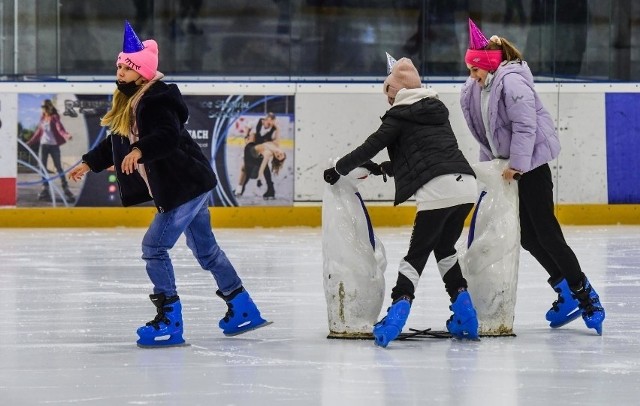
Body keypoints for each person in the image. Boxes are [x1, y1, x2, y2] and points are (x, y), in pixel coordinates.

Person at [68, 21, 270, 348]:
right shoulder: (130, 100)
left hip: (184, 187)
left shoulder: (156, 99)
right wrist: (89, 162)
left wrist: (140, 150)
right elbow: (115, 142)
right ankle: (242, 306)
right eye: (119, 65)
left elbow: (166, 136)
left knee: (154, 247)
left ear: (143, 72)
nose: (120, 71)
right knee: (206, 251)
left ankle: (170, 319)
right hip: (190, 184)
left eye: (127, 67)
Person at [323, 53, 480, 347]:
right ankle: (465, 312)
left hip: (438, 191)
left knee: (415, 256)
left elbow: (369, 145)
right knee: (445, 249)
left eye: (388, 93)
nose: (388, 100)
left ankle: (396, 314)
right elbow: (429, 153)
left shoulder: (399, 115)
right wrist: (385, 168)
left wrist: (337, 168)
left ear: (396, 92)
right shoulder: (435, 109)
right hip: (465, 186)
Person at [459, 19, 605, 334]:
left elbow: (526, 127)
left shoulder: (511, 82)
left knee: (547, 233)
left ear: (488, 64)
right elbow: (489, 136)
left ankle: (585, 294)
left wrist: (519, 164)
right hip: (510, 170)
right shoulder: (478, 89)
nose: (471, 76)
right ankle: (565, 291)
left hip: (532, 167)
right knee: (527, 237)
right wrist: (491, 172)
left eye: (474, 69)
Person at [27, 99, 76, 203]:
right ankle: (45, 190)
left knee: (58, 167)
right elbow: (39, 133)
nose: (42, 109)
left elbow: (60, 129)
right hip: (43, 146)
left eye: (44, 107)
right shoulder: (42, 118)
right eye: (41, 107)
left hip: (53, 146)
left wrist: (67, 135)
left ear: (48, 107)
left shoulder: (54, 117)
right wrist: (30, 142)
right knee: (42, 168)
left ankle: (66, 190)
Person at [235, 113, 281, 199]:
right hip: (253, 149)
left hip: (263, 151)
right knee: (246, 168)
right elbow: (248, 126)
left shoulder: (274, 129)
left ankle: (270, 190)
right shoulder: (257, 122)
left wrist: (277, 130)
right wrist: (246, 135)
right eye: (269, 122)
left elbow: (277, 144)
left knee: (264, 169)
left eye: (272, 122)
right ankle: (240, 189)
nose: (270, 124)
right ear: (266, 119)